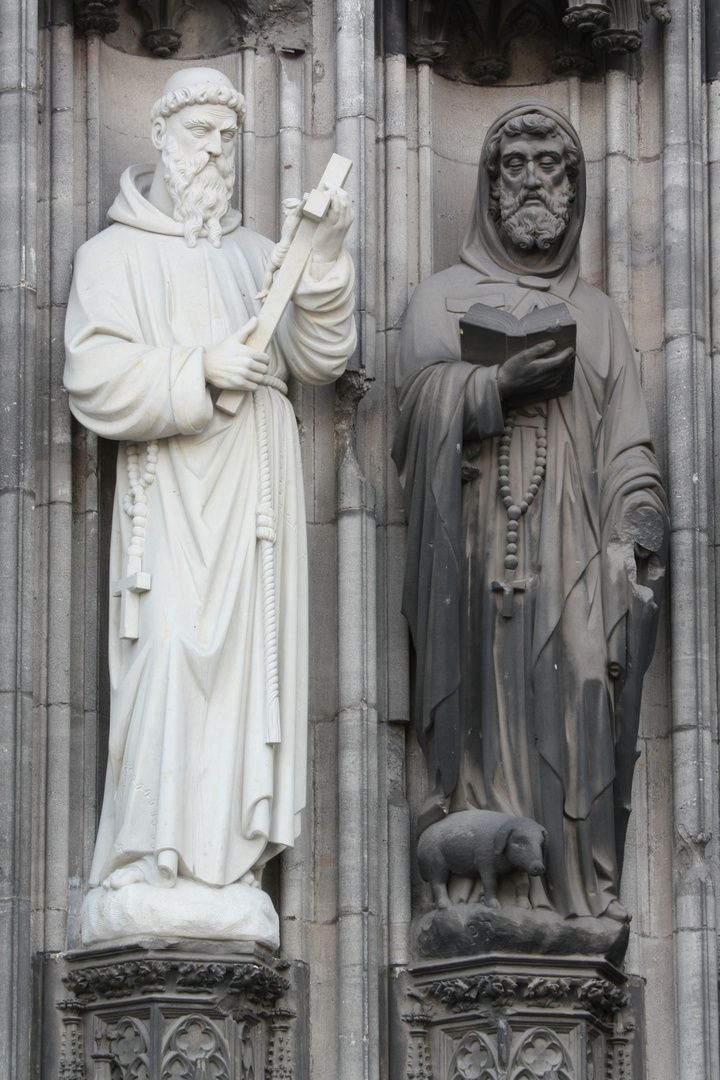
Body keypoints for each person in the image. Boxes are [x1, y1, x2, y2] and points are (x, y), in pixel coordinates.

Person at [64, 69, 355, 928]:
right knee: (165, 662)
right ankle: (145, 854)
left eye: (228, 137)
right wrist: (201, 369)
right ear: (160, 138)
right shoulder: (110, 257)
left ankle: (224, 872)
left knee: (240, 680)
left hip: (251, 512)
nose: (215, 151)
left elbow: (324, 354)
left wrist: (327, 255)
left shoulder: (255, 255)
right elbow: (94, 378)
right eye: (198, 132)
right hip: (169, 507)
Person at [392, 100, 668, 924]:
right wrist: (491, 387)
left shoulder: (602, 318)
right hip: (473, 547)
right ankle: (482, 881)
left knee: (585, 676)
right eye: (516, 166)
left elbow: (629, 447)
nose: (534, 183)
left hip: (577, 551)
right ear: (488, 185)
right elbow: (408, 421)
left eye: (552, 167)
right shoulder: (439, 299)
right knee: (480, 700)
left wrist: (641, 517)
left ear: (575, 190)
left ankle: (578, 890)